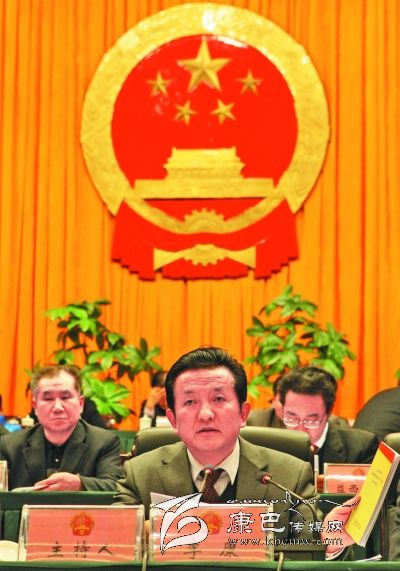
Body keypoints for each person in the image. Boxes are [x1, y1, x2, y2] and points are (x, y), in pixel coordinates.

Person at [115, 346, 321, 547]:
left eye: (218, 399)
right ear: (173, 419)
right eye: (190, 402)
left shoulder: (290, 477)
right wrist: (143, 533)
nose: (205, 414)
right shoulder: (140, 475)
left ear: (243, 414)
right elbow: (114, 546)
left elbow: (312, 553)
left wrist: (333, 537)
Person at [0, 364, 122, 491]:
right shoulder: (10, 446)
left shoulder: (104, 442)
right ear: (35, 406)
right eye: (48, 398)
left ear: (81, 404)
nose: (57, 407)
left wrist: (80, 484)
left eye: (65, 397)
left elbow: (115, 487)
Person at [277, 367, 379, 472]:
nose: (301, 429)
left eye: (311, 420)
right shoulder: (271, 446)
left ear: (329, 412)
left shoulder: (361, 448)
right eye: (292, 418)